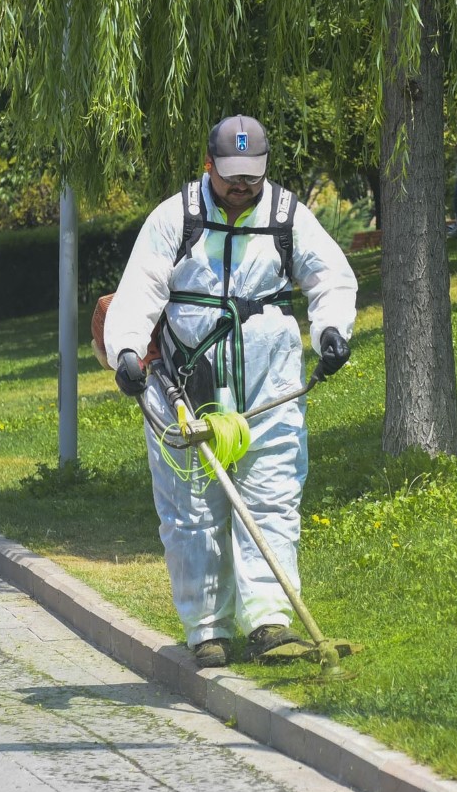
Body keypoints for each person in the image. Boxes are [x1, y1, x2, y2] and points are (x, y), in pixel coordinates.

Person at [103, 115, 358, 669]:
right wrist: (125, 350)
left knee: (271, 499)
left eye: (251, 176)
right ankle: (207, 628)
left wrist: (333, 327)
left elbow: (330, 277)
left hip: (272, 387)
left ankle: (270, 622)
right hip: (184, 388)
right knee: (192, 511)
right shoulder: (175, 218)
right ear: (208, 166)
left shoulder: (289, 216)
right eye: (230, 176)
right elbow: (140, 286)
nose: (241, 186)